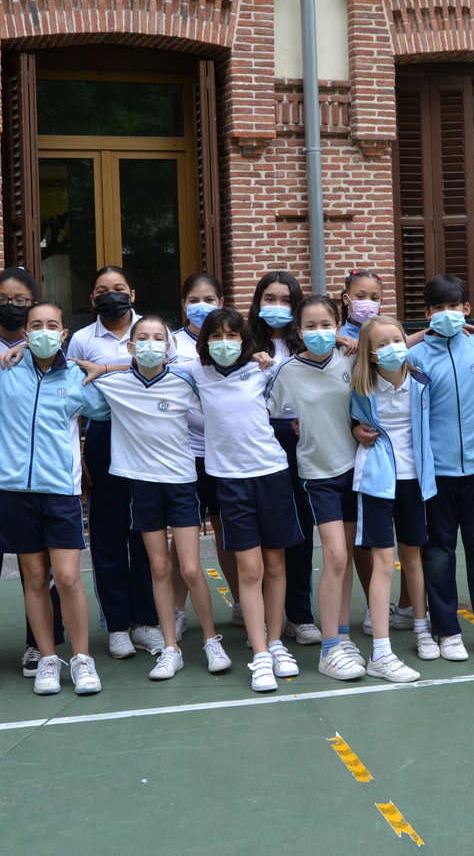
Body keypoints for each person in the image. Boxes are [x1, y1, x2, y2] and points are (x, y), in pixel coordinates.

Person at [81, 317, 232, 679]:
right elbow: (67, 371)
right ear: (131, 347)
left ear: (169, 347)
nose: (151, 343)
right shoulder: (113, 384)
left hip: (181, 485)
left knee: (190, 569)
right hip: (142, 488)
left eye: (158, 338)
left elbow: (222, 379)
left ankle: (211, 640)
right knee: (159, 567)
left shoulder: (185, 378)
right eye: (143, 338)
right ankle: (170, 647)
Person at [179, 307, 303, 693]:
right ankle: (260, 653)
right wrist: (102, 367)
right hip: (230, 483)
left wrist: (348, 340)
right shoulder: (196, 374)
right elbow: (146, 367)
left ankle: (276, 642)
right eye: (216, 336)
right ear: (205, 342)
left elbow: (309, 366)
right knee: (249, 570)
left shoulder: (262, 369)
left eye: (232, 335)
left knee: (275, 565)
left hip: (272, 475)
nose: (224, 343)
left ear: (244, 340)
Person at [0, 303, 101, 695]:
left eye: (52, 325)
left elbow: (112, 399)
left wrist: (104, 368)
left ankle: (82, 659)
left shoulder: (76, 376)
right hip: (15, 491)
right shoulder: (3, 370)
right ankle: (48, 658)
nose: (44, 331)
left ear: (64, 334)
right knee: (35, 579)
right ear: (25, 333)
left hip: (60, 491)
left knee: (67, 578)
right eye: (36, 325)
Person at [0, 266, 64, 678]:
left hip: (32, 472)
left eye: (21, 300)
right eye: (3, 299)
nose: (11, 306)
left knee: (37, 568)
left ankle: (40, 644)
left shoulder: (45, 345)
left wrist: (25, 346)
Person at [65, 266, 164, 660]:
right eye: (102, 290)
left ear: (133, 294)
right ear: (92, 298)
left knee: (145, 532)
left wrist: (108, 369)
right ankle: (118, 626)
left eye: (119, 288)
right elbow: (71, 397)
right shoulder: (81, 339)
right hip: (103, 438)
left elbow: (167, 371)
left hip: (145, 439)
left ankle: (146, 622)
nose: (111, 295)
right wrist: (79, 452)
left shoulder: (152, 331)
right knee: (108, 536)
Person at [406, 274, 474, 664]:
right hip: (436, 474)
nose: (447, 314)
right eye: (438, 308)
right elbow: (376, 354)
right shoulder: (415, 356)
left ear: (467, 309)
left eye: (454, 306)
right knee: (439, 555)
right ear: (427, 312)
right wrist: (416, 336)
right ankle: (446, 630)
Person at [268, 295, 365, 681]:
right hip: (317, 473)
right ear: (299, 330)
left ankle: (341, 636)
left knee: (346, 558)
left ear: (338, 327)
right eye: (311, 326)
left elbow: (392, 346)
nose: (319, 332)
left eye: (326, 325)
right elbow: (265, 413)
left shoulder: (351, 359)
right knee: (335, 555)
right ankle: (328, 651)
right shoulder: (286, 371)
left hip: (354, 468)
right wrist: (291, 426)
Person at [349, 315, 434, 682]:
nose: (392, 349)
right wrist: (355, 428)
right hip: (377, 483)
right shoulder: (360, 389)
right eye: (381, 344)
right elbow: (346, 421)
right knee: (383, 561)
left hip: (414, 480)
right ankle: (381, 652)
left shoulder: (421, 383)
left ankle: (421, 628)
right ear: (370, 354)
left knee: (413, 556)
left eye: (397, 340)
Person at [250, 270, 321, 646]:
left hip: (301, 441)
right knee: (263, 534)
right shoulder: (242, 342)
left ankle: (300, 614)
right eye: (270, 299)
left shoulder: (309, 342)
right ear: (258, 302)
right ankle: (261, 617)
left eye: (286, 300)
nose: (277, 306)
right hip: (258, 443)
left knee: (300, 528)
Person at [170, 272, 234, 633]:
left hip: (227, 456)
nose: (201, 306)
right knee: (184, 537)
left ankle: (241, 604)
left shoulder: (234, 342)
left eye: (209, 299)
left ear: (221, 302)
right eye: (193, 300)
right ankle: (176, 611)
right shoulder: (172, 344)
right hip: (187, 455)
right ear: (183, 305)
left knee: (229, 531)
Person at [337, 268, 383, 342]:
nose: (367, 302)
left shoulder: (390, 334)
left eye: (374, 298)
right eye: (360, 296)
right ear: (346, 299)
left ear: (380, 301)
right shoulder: (337, 337)